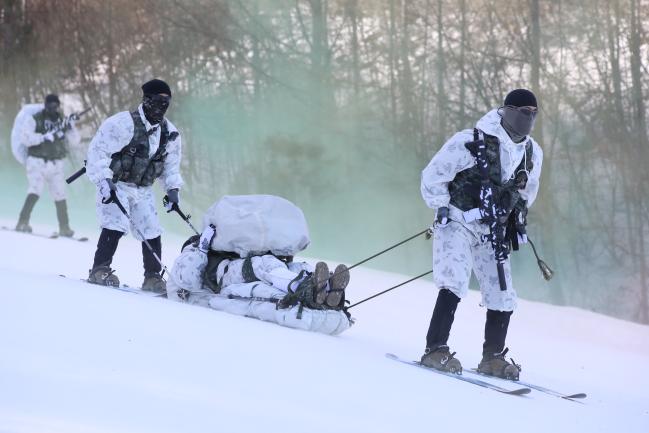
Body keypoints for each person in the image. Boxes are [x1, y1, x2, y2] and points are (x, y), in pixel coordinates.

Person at [419, 89, 543, 379]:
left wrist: (516, 216)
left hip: (494, 227)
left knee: (502, 290)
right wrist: (441, 207)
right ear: (508, 110)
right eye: (524, 111)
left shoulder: (531, 151)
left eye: (533, 113)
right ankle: (435, 349)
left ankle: (493, 357)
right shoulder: (471, 140)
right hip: (459, 219)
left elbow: (528, 189)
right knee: (454, 278)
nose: (529, 118)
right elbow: (433, 175)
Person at [167, 195, 353, 335]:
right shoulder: (190, 256)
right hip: (224, 279)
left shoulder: (215, 250)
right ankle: (305, 287)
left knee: (292, 269)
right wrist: (200, 249)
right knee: (264, 266)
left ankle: (323, 289)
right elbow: (187, 281)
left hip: (236, 280)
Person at [85, 79, 183, 293]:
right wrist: (104, 180)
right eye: (158, 101)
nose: (162, 107)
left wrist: (173, 190)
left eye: (167, 103)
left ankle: (153, 276)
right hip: (116, 183)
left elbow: (171, 167)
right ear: (146, 100)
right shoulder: (122, 123)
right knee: (115, 222)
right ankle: (99, 270)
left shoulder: (170, 133)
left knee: (151, 228)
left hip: (143, 189)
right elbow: (98, 151)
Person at [14, 94, 81, 236]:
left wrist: (70, 128)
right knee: (35, 189)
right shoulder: (35, 118)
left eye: (56, 106)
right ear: (46, 105)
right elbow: (25, 138)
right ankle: (22, 222)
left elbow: (75, 142)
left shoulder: (62, 120)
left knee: (60, 194)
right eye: (51, 105)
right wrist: (43, 137)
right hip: (37, 161)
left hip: (56, 162)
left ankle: (64, 227)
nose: (53, 108)